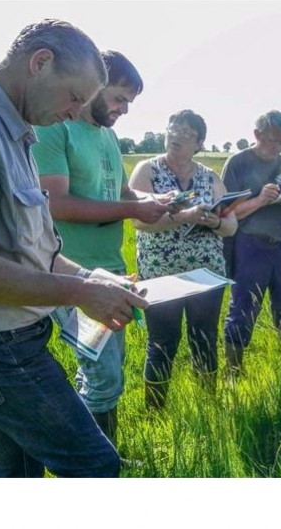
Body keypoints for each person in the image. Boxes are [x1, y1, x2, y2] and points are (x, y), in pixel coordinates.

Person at [0, 19, 148, 477]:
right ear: (40, 63)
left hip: (8, 337)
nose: (76, 112)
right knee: (95, 466)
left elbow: (39, 251)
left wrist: (93, 280)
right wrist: (77, 294)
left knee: (18, 474)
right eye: (75, 96)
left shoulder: (16, 132)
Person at [32, 50, 170, 446]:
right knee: (104, 373)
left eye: (129, 102)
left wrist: (155, 203)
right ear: (93, 87)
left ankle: (95, 455)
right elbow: (54, 203)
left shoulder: (108, 136)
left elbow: (119, 192)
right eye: (118, 98)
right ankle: (98, 461)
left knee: (100, 368)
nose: (124, 110)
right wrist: (133, 207)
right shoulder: (57, 129)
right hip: (71, 272)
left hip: (111, 268)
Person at [129, 110, 238, 406]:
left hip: (206, 275)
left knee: (204, 339)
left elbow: (231, 225)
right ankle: (155, 410)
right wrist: (185, 217)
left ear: (199, 143)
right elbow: (138, 221)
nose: (175, 135)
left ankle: (206, 405)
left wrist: (213, 222)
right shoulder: (147, 171)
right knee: (162, 342)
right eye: (172, 129)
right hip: (161, 276)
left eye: (185, 132)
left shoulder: (209, 177)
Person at [221, 110, 281, 375]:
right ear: (257, 135)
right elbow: (224, 214)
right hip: (249, 245)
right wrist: (260, 199)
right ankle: (233, 370)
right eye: (272, 140)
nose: (276, 147)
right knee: (244, 307)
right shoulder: (237, 163)